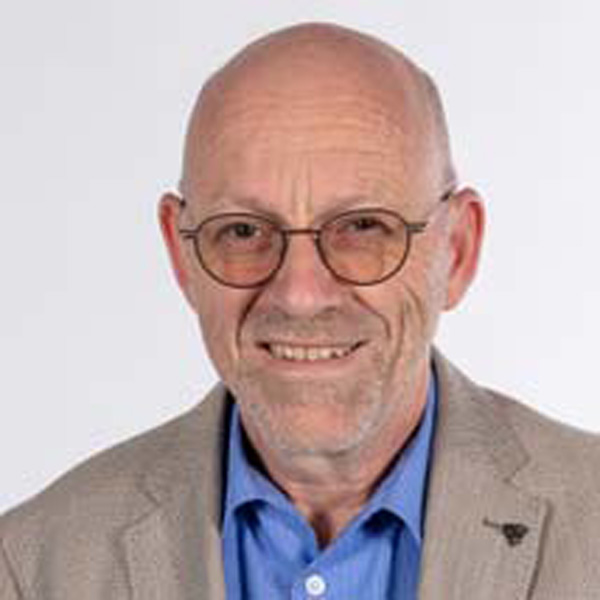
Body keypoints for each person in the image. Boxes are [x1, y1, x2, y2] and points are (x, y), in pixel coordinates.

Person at [1, 22, 598, 600]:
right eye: (242, 231)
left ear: (457, 250)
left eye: (363, 227)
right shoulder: (31, 566)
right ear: (181, 254)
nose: (300, 294)